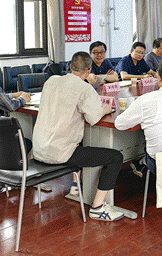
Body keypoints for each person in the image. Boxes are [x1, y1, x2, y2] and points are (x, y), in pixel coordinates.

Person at [32, 52, 125, 222]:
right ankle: (97, 207)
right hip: (60, 153)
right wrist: (105, 109)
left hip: (38, 149)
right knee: (115, 157)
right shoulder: (85, 89)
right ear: (89, 70)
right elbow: (94, 118)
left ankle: (75, 186)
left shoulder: (51, 81)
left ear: (69, 67)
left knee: (79, 141)